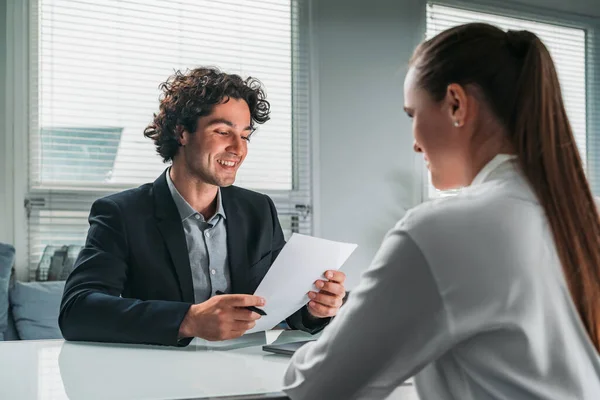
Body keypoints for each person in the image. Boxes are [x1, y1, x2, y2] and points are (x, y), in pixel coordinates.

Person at [283, 23, 600, 399]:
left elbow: (316, 388)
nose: (415, 143)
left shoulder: (447, 228)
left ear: (455, 104)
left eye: (412, 114)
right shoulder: (580, 215)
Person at [59, 67, 347, 347]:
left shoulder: (258, 210)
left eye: (245, 136)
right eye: (223, 132)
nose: (238, 148)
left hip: (246, 376)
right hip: (159, 380)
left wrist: (315, 309)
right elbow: (77, 311)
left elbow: (280, 304)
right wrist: (189, 320)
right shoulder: (121, 213)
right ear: (182, 133)